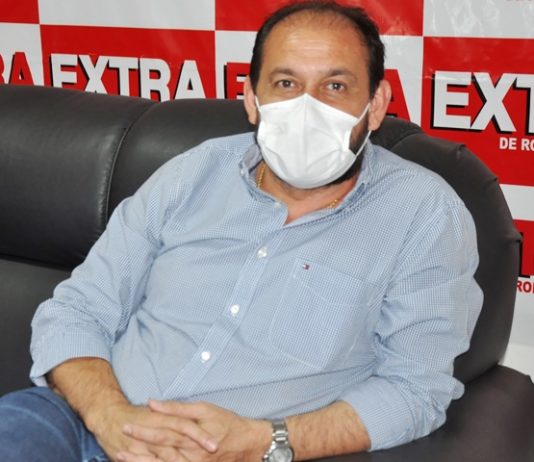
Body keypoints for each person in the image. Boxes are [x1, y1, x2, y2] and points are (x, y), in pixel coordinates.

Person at [0, 1, 483, 461]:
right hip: (84, 421)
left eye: (335, 86)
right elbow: (77, 309)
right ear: (253, 100)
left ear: (375, 105)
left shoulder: (424, 215)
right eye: (286, 83)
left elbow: (414, 390)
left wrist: (263, 442)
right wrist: (109, 415)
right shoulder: (192, 172)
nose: (308, 107)